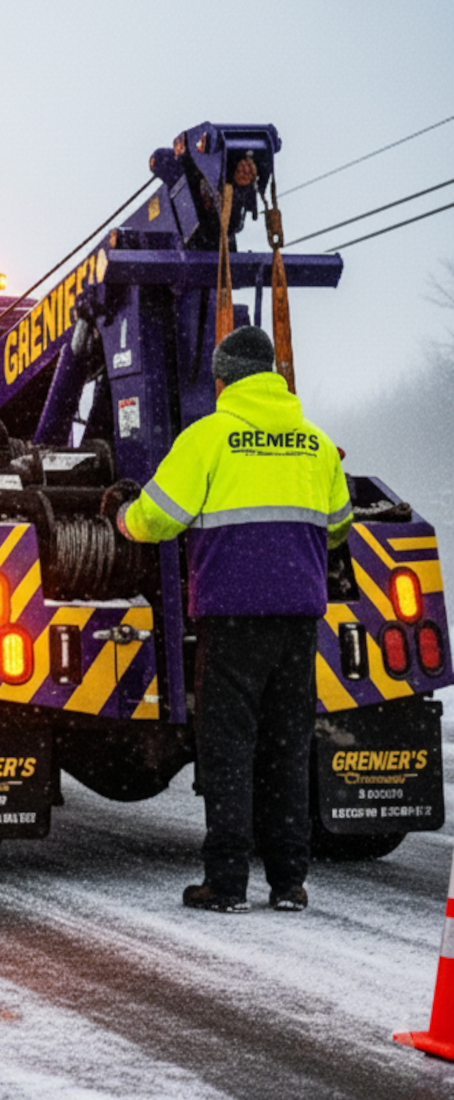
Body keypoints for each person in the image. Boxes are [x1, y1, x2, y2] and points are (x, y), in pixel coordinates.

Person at [114, 325, 351, 914]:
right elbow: (340, 524)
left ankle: (226, 885)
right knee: (286, 749)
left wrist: (121, 518)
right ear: (273, 375)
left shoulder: (209, 438)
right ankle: (289, 884)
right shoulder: (317, 445)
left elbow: (158, 518)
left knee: (229, 752)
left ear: (221, 379)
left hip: (233, 621)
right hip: (297, 621)